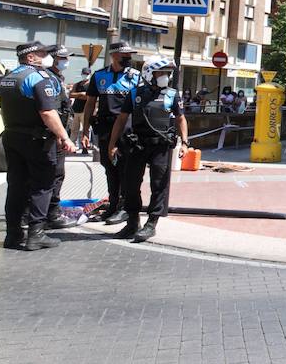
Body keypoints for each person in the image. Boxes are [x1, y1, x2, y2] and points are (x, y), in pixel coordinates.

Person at [0, 42, 76, 251]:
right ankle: (36, 234)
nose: (46, 57)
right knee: (42, 186)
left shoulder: (8, 78)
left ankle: (13, 235)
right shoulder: (39, 78)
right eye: (42, 53)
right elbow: (48, 112)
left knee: (16, 186)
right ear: (30, 57)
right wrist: (64, 137)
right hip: (37, 140)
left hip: (12, 137)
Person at [108, 56, 189, 243]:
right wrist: (112, 144)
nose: (165, 77)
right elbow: (121, 120)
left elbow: (181, 119)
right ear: (149, 74)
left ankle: (152, 223)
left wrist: (185, 143)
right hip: (137, 145)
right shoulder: (135, 94)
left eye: (167, 73)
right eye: (161, 73)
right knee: (130, 184)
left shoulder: (172, 95)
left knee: (159, 184)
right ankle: (132, 222)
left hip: (160, 146)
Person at [83, 41, 139, 225]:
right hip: (105, 129)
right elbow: (90, 103)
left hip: (126, 129)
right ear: (114, 55)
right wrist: (85, 130)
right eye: (125, 55)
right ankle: (113, 204)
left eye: (130, 55)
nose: (129, 59)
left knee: (125, 169)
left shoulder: (135, 77)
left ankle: (124, 207)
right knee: (109, 167)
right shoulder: (99, 76)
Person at [43, 45, 75, 230]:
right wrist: (60, 136)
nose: (65, 61)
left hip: (57, 133)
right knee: (55, 174)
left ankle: (43, 213)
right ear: (53, 59)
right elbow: (51, 110)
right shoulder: (49, 79)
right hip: (54, 135)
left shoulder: (56, 78)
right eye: (62, 58)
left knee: (55, 174)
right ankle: (51, 214)